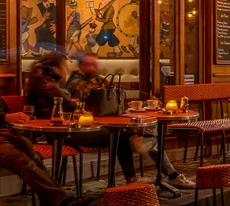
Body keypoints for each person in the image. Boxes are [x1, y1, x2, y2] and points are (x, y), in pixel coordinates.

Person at [73, 57, 196, 190]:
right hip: (91, 125)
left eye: (95, 64)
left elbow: (115, 92)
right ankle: (162, 166)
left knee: (147, 127)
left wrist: (145, 98)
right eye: (90, 64)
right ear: (81, 65)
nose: (94, 67)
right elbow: (81, 105)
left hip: (110, 119)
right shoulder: (77, 82)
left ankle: (150, 151)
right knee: (127, 134)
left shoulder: (98, 79)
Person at [0, 79, 93, 206]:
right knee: (21, 161)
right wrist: (5, 118)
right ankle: (62, 202)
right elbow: (1, 115)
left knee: (33, 156)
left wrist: (14, 122)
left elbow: (1, 109)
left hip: (2, 130)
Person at [26, 52, 140, 184]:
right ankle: (131, 173)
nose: (66, 70)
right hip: (60, 133)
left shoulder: (46, 82)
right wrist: (73, 103)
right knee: (120, 135)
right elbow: (69, 105)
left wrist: (72, 103)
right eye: (64, 66)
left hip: (65, 129)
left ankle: (131, 175)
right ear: (55, 68)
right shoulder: (48, 85)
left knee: (120, 133)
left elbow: (68, 104)